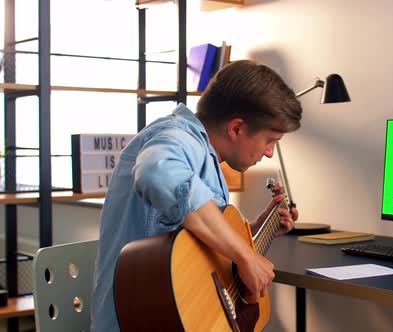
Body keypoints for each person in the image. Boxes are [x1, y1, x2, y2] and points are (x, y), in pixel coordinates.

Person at [90, 60, 303, 331]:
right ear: (236, 128)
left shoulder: (207, 156)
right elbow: (157, 171)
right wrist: (245, 256)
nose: (270, 152)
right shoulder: (179, 136)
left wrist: (258, 230)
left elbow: (190, 249)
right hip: (142, 320)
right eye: (270, 140)